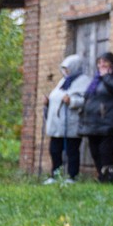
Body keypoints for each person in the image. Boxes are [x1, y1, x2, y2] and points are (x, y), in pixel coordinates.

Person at [78, 51, 113, 182]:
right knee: (95, 152)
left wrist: (106, 76)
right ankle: (102, 177)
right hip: (92, 122)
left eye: (104, 62)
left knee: (105, 152)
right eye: (99, 62)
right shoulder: (95, 80)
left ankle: (108, 178)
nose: (101, 65)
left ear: (111, 63)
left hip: (108, 122)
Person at [42, 55, 91, 184]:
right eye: (64, 69)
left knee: (72, 152)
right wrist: (48, 101)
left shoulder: (84, 81)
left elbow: (86, 101)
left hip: (71, 124)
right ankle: (55, 175)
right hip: (57, 125)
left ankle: (72, 177)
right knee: (54, 151)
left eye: (68, 68)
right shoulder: (63, 81)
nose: (66, 71)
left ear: (75, 67)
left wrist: (72, 101)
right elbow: (57, 97)